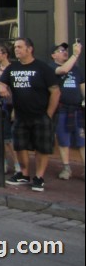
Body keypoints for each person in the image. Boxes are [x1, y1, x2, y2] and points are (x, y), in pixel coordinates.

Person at [0, 37, 61, 192]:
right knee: (20, 146)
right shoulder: (12, 68)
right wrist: (1, 87)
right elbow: (0, 82)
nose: (16, 49)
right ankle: (24, 174)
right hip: (20, 115)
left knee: (42, 148)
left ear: (29, 49)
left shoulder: (42, 68)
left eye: (19, 47)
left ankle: (39, 177)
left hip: (41, 115)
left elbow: (55, 91)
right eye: (15, 47)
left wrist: (49, 114)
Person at [50, 41, 84, 180]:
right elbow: (63, 70)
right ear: (53, 55)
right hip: (62, 110)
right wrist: (75, 54)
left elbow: (83, 86)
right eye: (60, 50)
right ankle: (66, 168)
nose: (64, 52)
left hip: (77, 109)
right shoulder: (51, 67)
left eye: (65, 50)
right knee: (64, 140)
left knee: (82, 139)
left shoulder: (77, 69)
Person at [0, 42, 20, 175]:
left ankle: (18, 164)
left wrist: (15, 109)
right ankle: (4, 163)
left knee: (8, 138)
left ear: (5, 54)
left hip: (9, 104)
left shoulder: (13, 68)